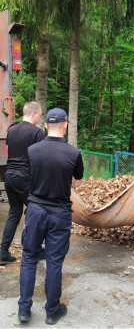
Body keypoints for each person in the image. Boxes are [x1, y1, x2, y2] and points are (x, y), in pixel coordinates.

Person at [17, 108, 84, 325]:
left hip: (36, 210)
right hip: (60, 214)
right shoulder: (74, 154)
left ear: (45, 125)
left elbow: (30, 174)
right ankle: (52, 310)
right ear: (66, 125)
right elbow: (78, 182)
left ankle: (24, 310)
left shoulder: (33, 150)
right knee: (54, 263)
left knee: (28, 258)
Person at [0, 102, 45, 265]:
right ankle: (36, 250)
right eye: (40, 115)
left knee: (14, 213)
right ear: (33, 114)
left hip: (10, 177)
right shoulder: (37, 132)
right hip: (26, 178)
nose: (40, 118)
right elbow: (41, 159)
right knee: (38, 212)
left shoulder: (11, 130)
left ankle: (3, 253)